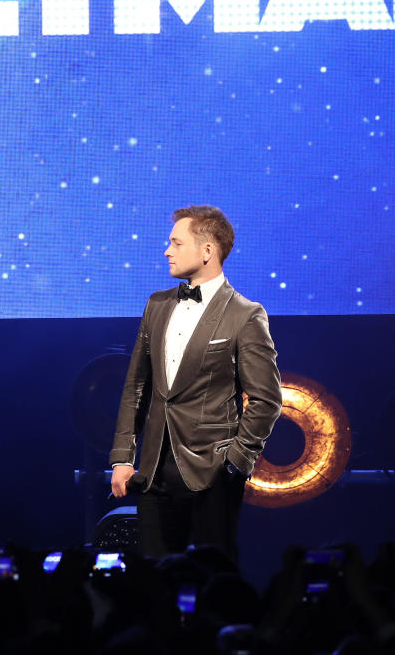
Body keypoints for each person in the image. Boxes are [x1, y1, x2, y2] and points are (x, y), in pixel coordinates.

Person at [109, 205, 281, 561]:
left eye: (176, 242)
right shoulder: (156, 305)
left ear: (207, 251)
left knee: (211, 577)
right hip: (153, 469)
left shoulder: (245, 315)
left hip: (212, 472)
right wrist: (123, 457)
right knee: (153, 577)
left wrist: (235, 461)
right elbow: (136, 386)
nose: (166, 251)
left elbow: (266, 400)